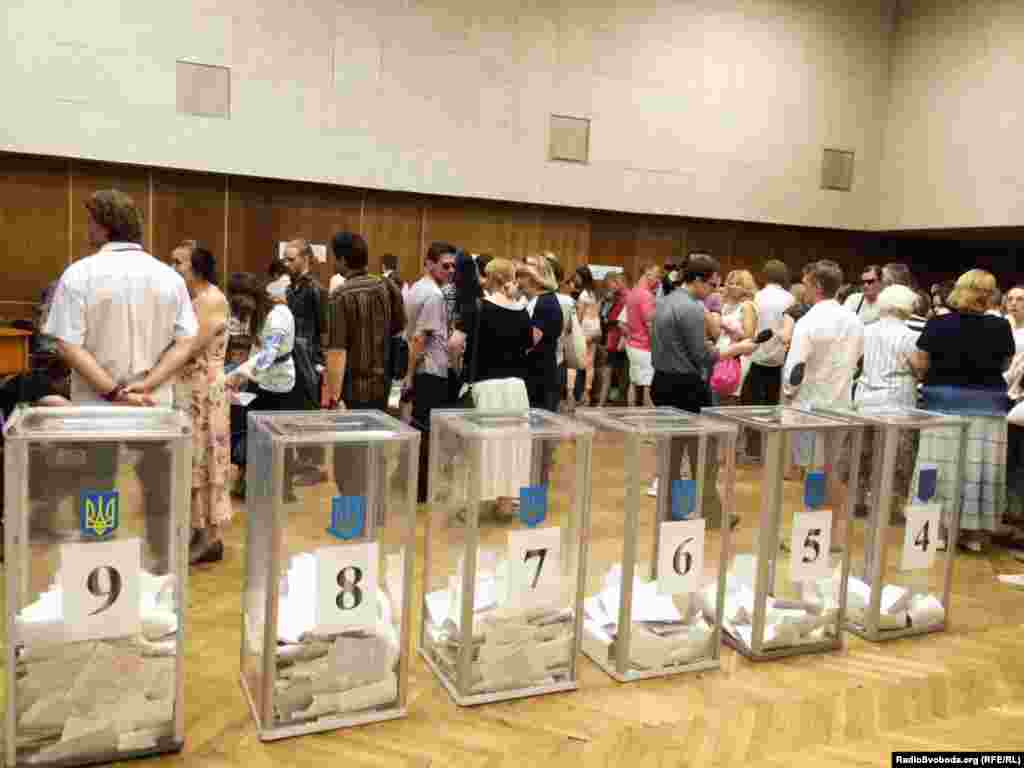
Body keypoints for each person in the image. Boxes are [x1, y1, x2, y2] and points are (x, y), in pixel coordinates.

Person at [44, 189, 198, 572]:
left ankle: (97, 574)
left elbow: (66, 343)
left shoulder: (79, 274)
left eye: (90, 223)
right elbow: (186, 341)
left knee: (97, 491)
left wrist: (113, 392)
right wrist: (147, 385)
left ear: (102, 227)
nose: (87, 231)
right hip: (154, 407)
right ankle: (160, 575)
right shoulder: (168, 277)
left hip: (98, 411)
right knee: (159, 496)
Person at [131, 242, 231, 563]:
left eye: (179, 263)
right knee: (192, 463)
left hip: (204, 390)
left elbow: (188, 349)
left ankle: (210, 537)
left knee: (206, 462)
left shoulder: (212, 300)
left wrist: (148, 381)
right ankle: (197, 531)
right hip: (189, 390)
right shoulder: (191, 299)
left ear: (198, 267)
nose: (172, 267)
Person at [910, 269, 1014, 553]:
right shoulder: (1001, 327)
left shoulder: (937, 324)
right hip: (988, 407)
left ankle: (934, 530)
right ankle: (974, 534)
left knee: (937, 468)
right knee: (978, 469)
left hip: (942, 406)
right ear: (989, 295)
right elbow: (1005, 365)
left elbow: (921, 364)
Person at [650, 254, 753, 528]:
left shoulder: (664, 301)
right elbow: (703, 356)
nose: (714, 291)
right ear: (696, 280)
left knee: (671, 453)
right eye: (712, 285)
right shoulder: (692, 307)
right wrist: (737, 349)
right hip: (686, 385)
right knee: (703, 454)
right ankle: (710, 514)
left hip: (661, 381)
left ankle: (671, 512)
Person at [782, 260, 864, 550]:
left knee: (814, 473)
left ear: (816, 285)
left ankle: (812, 533)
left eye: (805, 284)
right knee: (828, 470)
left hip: (809, 406)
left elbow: (796, 368)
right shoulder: (854, 320)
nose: (802, 290)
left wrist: (788, 394)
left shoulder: (809, 321)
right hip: (841, 404)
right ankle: (831, 533)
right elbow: (857, 360)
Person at [466, 258, 535, 519]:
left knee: (488, 444)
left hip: (488, 384)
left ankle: (482, 501)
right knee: (514, 445)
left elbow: (464, 345)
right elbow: (529, 343)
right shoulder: (522, 310)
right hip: (517, 386)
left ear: (490, 277)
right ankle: (506, 502)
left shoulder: (480, 308)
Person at [225, 274, 302, 497]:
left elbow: (267, 356)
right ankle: (248, 480)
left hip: (280, 385)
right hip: (260, 380)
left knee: (279, 436)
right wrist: (243, 378)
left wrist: (237, 375)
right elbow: (257, 348)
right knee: (253, 433)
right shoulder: (262, 313)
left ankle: (284, 488)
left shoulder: (278, 316)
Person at [851, 285, 922, 519]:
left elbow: (857, 360)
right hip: (896, 399)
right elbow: (919, 369)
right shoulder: (910, 336)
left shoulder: (866, 329)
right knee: (894, 456)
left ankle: (858, 499)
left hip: (865, 397)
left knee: (863, 451)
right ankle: (888, 506)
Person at [324, 232, 406, 412]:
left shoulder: (339, 295)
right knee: (375, 438)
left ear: (343, 260)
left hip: (352, 389)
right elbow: (399, 328)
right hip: (382, 384)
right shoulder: (387, 285)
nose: (333, 262)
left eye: (334, 257)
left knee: (352, 439)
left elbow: (337, 350)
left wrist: (333, 398)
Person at [405, 242, 457, 502]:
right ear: (429, 263)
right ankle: (422, 491)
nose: (450, 270)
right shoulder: (435, 295)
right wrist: (409, 374)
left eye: (453, 266)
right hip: (430, 369)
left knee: (419, 427)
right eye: (445, 265)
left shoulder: (417, 287)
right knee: (426, 431)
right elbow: (420, 338)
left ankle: (414, 485)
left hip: (424, 368)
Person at [518, 258, 563, 412]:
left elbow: (529, 341)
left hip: (538, 378)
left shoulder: (545, 303)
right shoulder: (536, 300)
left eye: (522, 276)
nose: (518, 281)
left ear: (535, 279)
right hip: (536, 375)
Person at [717, 269, 758, 404]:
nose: (733, 286)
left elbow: (749, 335)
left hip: (738, 357)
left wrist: (726, 327)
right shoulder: (724, 305)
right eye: (730, 283)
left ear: (746, 288)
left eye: (738, 284)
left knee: (731, 397)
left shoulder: (747, 306)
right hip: (721, 354)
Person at [625, 264, 661, 408]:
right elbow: (650, 324)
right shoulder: (646, 295)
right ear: (647, 273)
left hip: (631, 345)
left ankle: (629, 414)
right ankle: (651, 423)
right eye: (656, 276)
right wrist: (656, 346)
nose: (658, 281)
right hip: (644, 347)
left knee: (633, 382)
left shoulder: (632, 292)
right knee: (647, 389)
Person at [597, 271, 630, 406]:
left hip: (619, 340)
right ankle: (603, 402)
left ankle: (608, 402)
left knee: (618, 374)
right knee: (611, 373)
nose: (610, 286)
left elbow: (615, 320)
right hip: (613, 339)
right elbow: (605, 316)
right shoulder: (614, 297)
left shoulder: (625, 297)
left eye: (614, 283)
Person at [572, 265, 600, 407]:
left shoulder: (583, 295)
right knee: (590, 364)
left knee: (578, 364)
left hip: (585, 332)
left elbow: (579, 317)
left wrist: (573, 331)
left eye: (576, 276)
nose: (574, 279)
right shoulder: (592, 293)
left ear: (581, 277)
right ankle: (587, 393)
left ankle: (582, 395)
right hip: (595, 331)